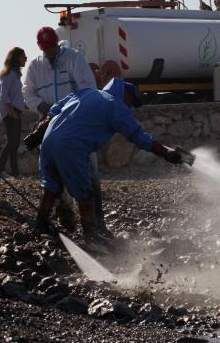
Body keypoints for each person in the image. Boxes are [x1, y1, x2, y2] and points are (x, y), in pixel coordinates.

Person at [34, 78, 184, 244]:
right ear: (124, 93)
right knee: (85, 193)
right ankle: (91, 236)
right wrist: (165, 152)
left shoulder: (87, 92)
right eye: (131, 102)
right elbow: (138, 136)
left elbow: (56, 108)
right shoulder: (115, 105)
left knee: (51, 187)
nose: (130, 107)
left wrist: (42, 126)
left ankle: (40, 226)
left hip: (48, 139)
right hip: (71, 146)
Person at [22, 26, 108, 234]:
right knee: (52, 173)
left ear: (56, 43)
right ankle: (66, 219)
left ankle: (97, 223)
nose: (50, 52)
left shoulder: (74, 58)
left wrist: (66, 111)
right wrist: (43, 108)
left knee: (89, 172)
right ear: (40, 47)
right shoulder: (35, 66)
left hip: (76, 126)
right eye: (45, 48)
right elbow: (28, 92)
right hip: (49, 127)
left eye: (52, 47)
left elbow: (87, 88)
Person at [0, 47, 28, 176]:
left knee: (14, 143)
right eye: (23, 57)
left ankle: (15, 172)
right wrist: (11, 111)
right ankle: (0, 169)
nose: (25, 59)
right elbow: (4, 95)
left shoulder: (15, 75)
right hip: (10, 111)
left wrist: (24, 105)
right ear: (16, 58)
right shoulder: (9, 74)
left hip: (15, 110)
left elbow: (15, 95)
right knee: (12, 142)